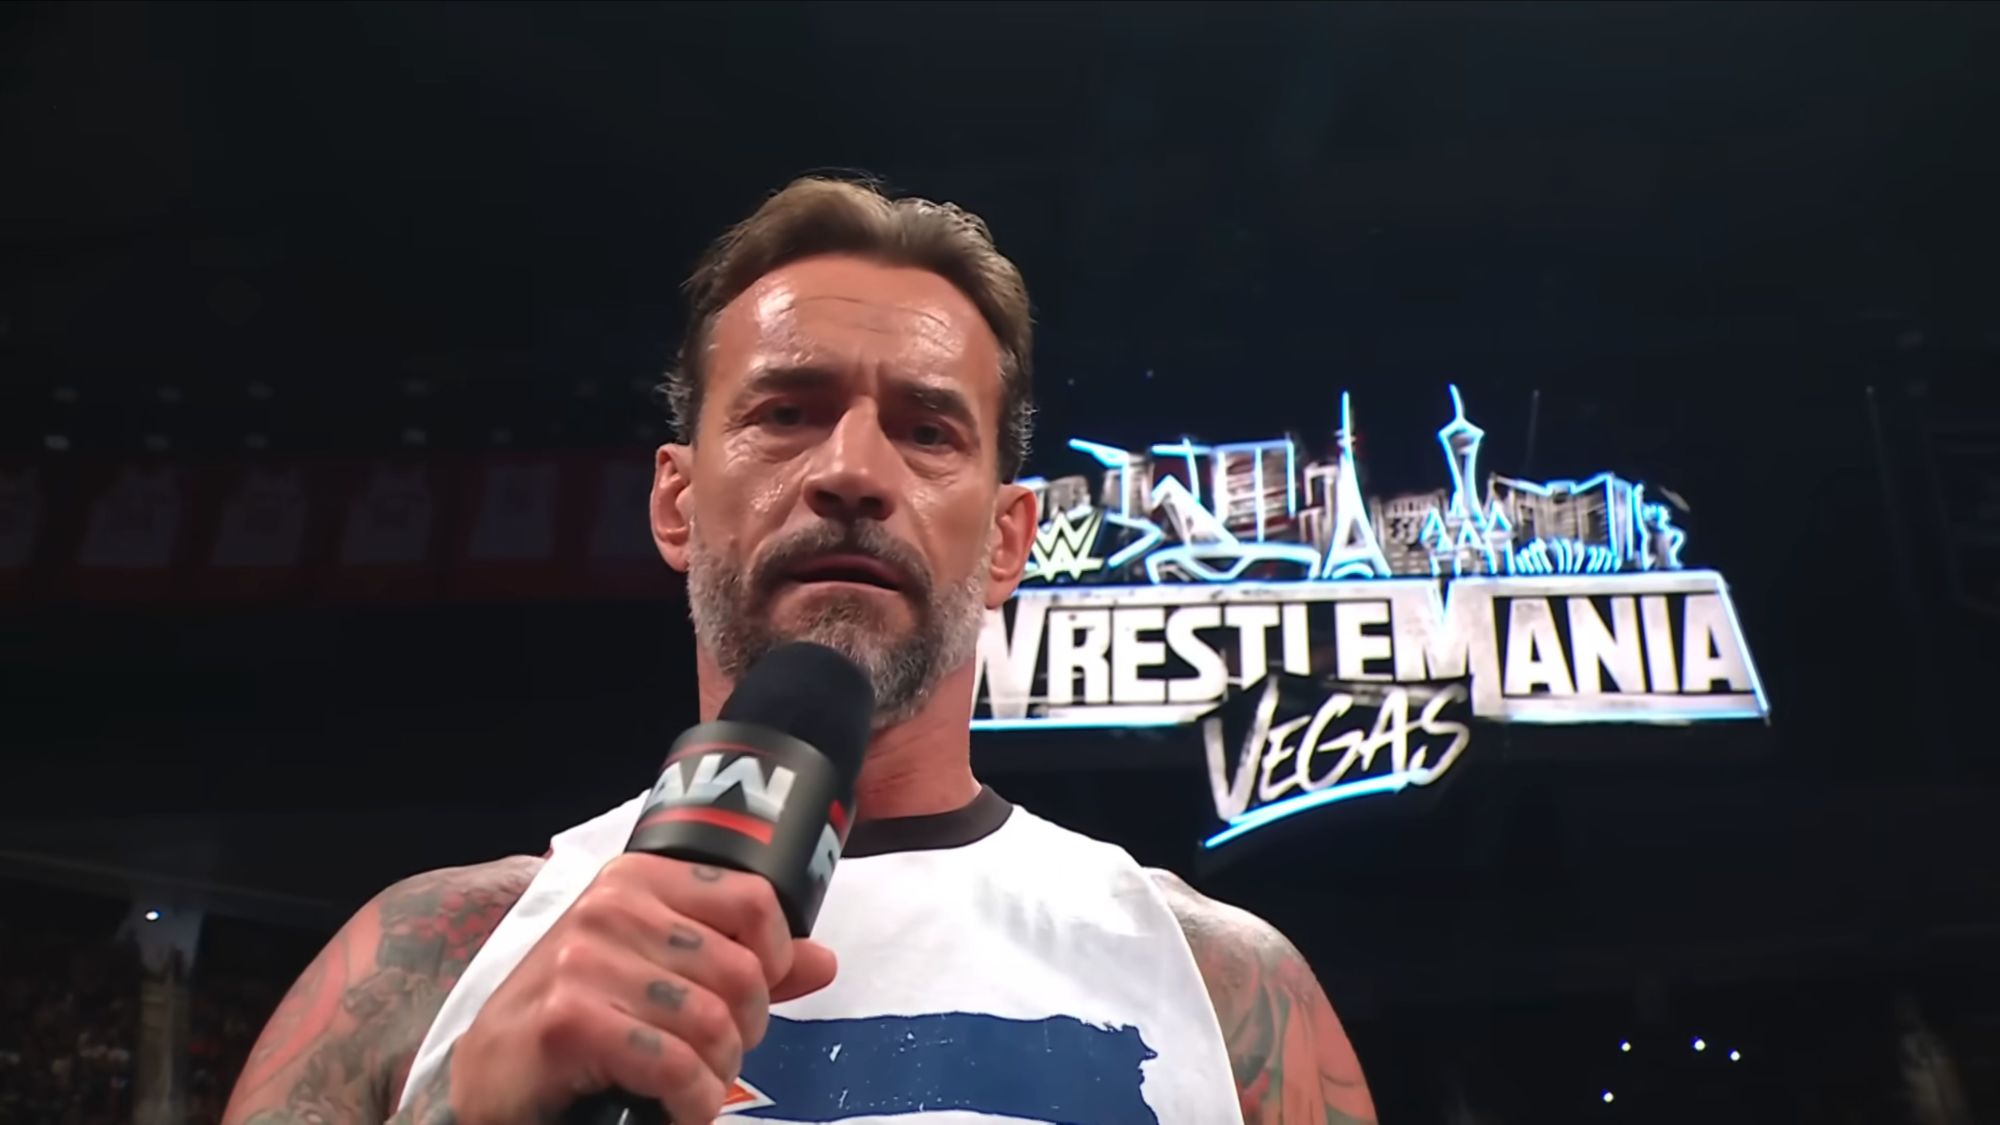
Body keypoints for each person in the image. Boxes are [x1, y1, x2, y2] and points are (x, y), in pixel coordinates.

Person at [222, 176, 1377, 1125]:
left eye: (925, 431)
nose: (853, 472)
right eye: (785, 413)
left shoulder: (1222, 986)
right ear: (675, 502)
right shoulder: (433, 957)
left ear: (1008, 541)